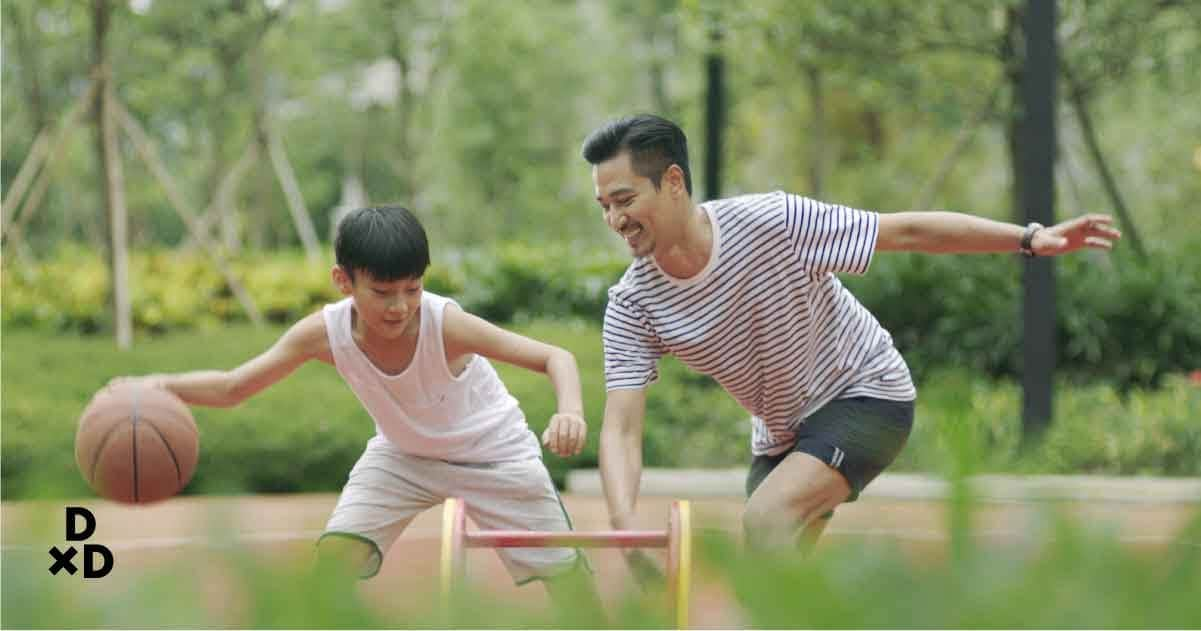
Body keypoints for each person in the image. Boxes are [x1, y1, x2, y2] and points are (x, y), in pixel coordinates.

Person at [581, 114, 1121, 561]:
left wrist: (1029, 238)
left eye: (624, 199)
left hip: (866, 393)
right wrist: (624, 524)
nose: (614, 218)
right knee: (779, 578)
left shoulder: (774, 223)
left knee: (765, 521)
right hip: (784, 434)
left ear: (672, 182)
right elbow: (623, 429)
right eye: (604, 206)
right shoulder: (633, 305)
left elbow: (904, 231)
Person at [109, 205, 602, 611]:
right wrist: (152, 384)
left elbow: (552, 356)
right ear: (343, 281)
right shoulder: (322, 334)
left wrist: (571, 412)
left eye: (412, 289)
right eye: (383, 292)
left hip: (496, 455)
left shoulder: (446, 324)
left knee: (570, 587)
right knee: (330, 568)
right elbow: (234, 386)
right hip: (402, 458)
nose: (399, 306)